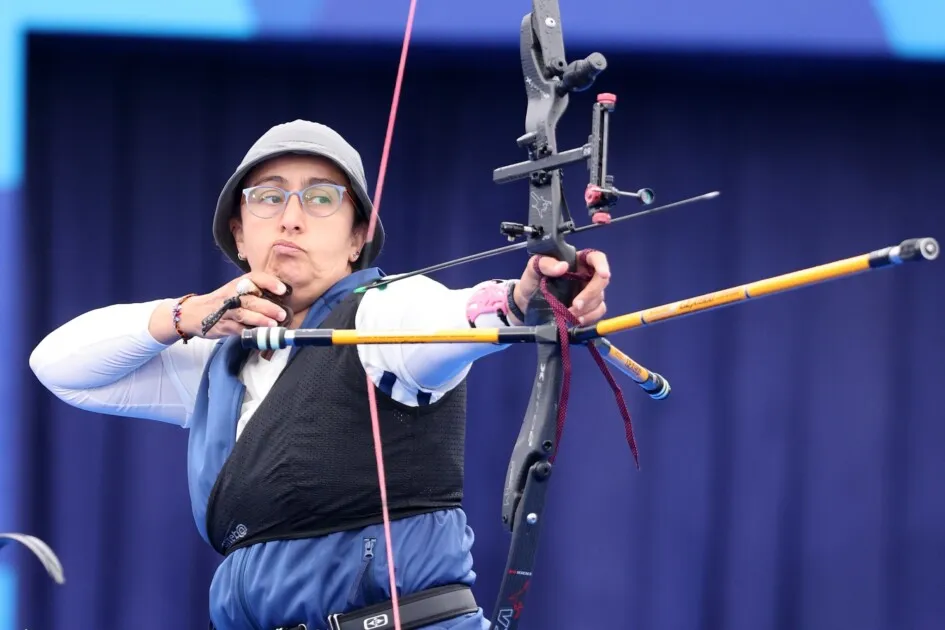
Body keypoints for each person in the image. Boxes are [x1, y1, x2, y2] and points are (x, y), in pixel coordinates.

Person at [29, 120, 611, 630]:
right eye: (268, 197)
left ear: (358, 237)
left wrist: (519, 299)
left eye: (322, 198)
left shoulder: (381, 315)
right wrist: (185, 316)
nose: (291, 218)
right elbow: (59, 367)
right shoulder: (215, 365)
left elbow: (444, 319)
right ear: (239, 232)